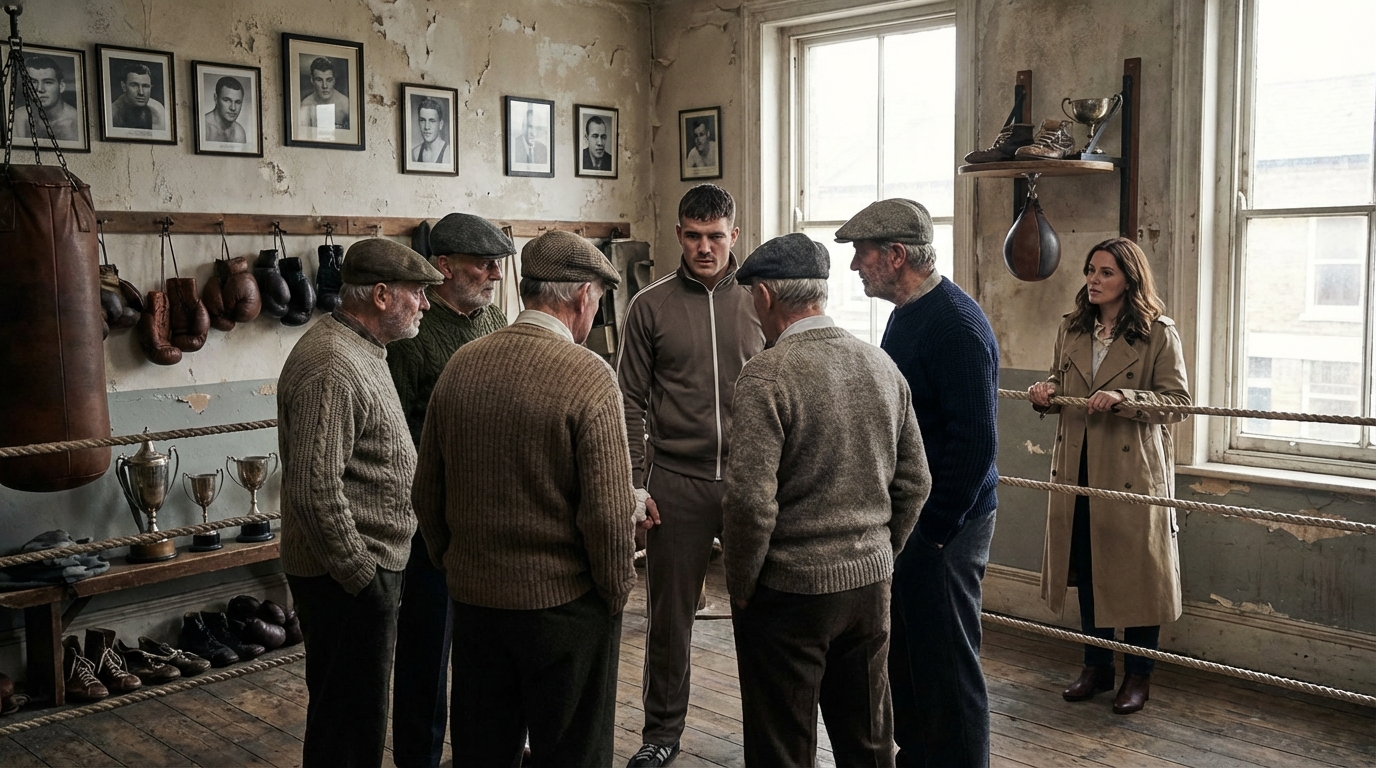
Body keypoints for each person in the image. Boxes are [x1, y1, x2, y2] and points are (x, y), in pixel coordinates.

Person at [412, 230, 637, 768]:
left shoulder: (462, 365)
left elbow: (427, 493)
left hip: (476, 608)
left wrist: (459, 568)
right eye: (598, 301)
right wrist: (616, 591)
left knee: (483, 753)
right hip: (565, 612)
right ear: (583, 296)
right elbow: (607, 516)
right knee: (572, 755)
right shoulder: (590, 376)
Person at [724, 233, 932, 767]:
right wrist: (880, 549)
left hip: (789, 590)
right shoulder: (879, 365)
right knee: (868, 741)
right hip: (869, 587)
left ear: (766, 296)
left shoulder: (766, 374)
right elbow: (916, 481)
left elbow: (750, 502)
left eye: (752, 298)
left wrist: (742, 584)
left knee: (782, 746)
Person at [838, 198, 999, 768]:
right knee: (910, 658)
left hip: (944, 530)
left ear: (896, 255)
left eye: (863, 253)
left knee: (949, 668)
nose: (856, 266)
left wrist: (930, 531)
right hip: (914, 526)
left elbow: (974, 444)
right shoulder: (909, 315)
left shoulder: (956, 326)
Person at [278, 237, 444, 768]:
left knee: (358, 718)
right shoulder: (332, 364)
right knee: (347, 727)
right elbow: (313, 488)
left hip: (363, 570)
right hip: (345, 577)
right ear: (379, 295)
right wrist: (363, 578)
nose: (423, 304)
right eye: (416, 293)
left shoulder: (362, 349)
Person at [617, 183, 764, 768]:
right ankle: (660, 736)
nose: (705, 247)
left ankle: (770, 736)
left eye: (716, 236)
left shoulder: (761, 301)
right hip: (675, 480)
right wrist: (634, 482)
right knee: (668, 620)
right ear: (679, 235)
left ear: (735, 235)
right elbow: (628, 399)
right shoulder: (648, 306)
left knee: (764, 615)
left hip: (751, 479)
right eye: (694, 236)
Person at [1027, 236, 1189, 715]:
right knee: (1091, 568)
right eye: (1090, 271)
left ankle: (1139, 676)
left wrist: (1127, 399)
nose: (1093, 281)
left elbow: (1179, 403)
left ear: (1129, 280)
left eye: (1105, 273)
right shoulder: (1072, 328)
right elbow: (1059, 379)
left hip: (1132, 473)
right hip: (1078, 465)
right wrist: (1047, 391)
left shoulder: (1159, 334)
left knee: (1141, 577)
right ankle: (1096, 667)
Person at [387, 213, 513, 768]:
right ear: (443, 267)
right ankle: (419, 756)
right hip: (432, 517)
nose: (494, 274)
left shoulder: (493, 321)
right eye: (483, 264)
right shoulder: (414, 335)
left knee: (488, 645)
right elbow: (397, 431)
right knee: (426, 646)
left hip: (490, 513)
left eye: (498, 264)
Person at [13, 56, 80, 142]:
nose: (40, 89)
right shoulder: (19, 118)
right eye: (33, 82)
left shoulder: (75, 120)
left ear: (61, 86)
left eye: (48, 82)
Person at [110, 63, 167, 131]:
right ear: (124, 86)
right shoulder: (112, 113)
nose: (141, 92)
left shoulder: (157, 110)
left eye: (145, 86)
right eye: (134, 85)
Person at [299, 56, 349, 130]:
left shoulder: (345, 104)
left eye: (329, 80)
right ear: (312, 80)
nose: (325, 86)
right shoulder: (305, 105)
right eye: (319, 80)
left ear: (334, 80)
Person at [202, 76, 246, 144]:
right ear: (216, 99)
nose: (233, 108)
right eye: (227, 100)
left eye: (238, 102)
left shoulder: (239, 132)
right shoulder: (203, 128)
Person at [411, 97, 449, 164]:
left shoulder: (449, 153)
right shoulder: (415, 153)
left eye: (432, 121)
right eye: (422, 120)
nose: (426, 127)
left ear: (441, 124)